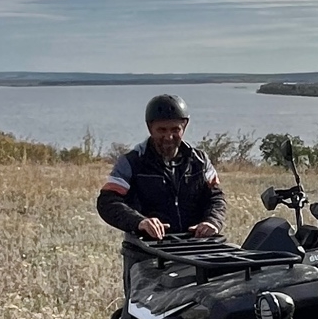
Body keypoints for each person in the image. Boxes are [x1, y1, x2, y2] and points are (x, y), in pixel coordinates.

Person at [96, 95, 225, 248]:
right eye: (162, 130)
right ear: (150, 128)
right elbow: (108, 202)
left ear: (185, 126)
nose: (168, 137)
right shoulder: (132, 162)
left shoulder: (200, 161)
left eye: (175, 129)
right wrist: (140, 222)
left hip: (195, 247)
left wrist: (212, 222)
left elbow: (216, 197)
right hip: (147, 251)